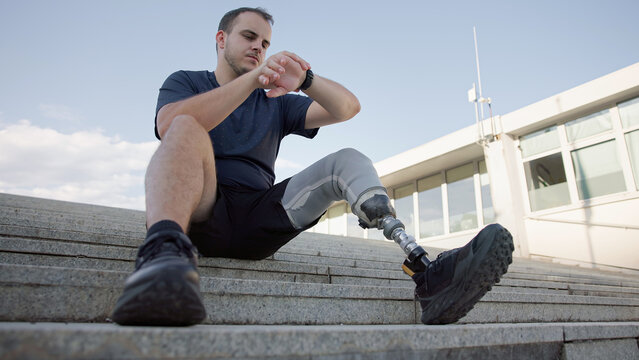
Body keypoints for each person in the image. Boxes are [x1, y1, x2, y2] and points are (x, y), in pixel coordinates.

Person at [111, 7, 513, 326]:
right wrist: (251, 81)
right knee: (185, 125)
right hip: (203, 208)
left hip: (259, 217)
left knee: (348, 159)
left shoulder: (275, 100)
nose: (258, 48)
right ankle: (162, 257)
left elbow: (347, 108)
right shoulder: (186, 80)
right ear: (221, 39)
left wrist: (305, 79)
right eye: (249, 37)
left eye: (265, 43)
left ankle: (427, 271)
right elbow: (168, 125)